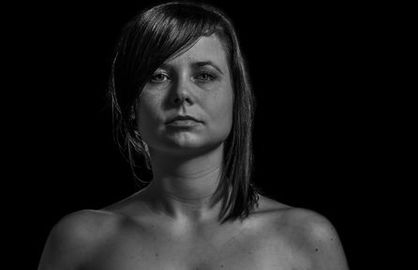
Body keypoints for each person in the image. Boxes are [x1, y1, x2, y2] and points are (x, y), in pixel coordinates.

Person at [37, 2, 348, 269]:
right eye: (158, 76)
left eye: (204, 75)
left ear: (236, 96)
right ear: (131, 104)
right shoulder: (80, 240)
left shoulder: (307, 237)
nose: (182, 93)